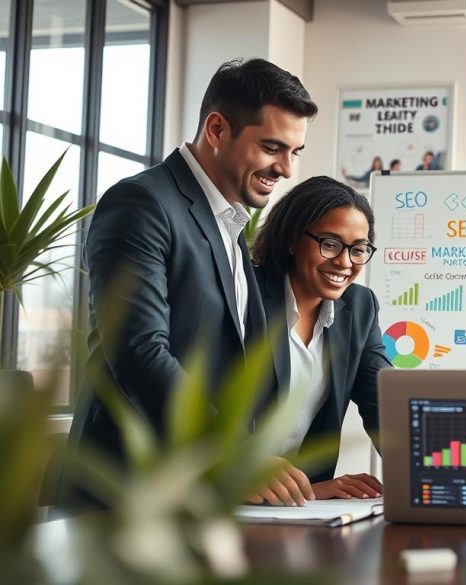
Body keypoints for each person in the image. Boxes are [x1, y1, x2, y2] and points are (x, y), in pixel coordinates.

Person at [60, 58, 319, 509]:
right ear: (217, 130)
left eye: (294, 152)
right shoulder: (142, 202)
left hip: (199, 496)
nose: (286, 169)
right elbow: (138, 350)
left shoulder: (232, 224)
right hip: (127, 494)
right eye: (272, 147)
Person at [250, 176, 390, 501]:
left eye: (358, 249)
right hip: (219, 499)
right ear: (291, 240)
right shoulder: (244, 295)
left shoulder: (359, 307)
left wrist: (434, 476)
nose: (344, 261)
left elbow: (385, 405)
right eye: (330, 243)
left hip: (302, 509)